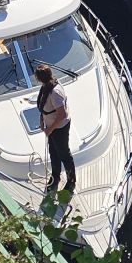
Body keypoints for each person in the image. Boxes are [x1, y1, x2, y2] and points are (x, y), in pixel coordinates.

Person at [35, 65, 75, 195]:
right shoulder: (46, 87)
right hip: (51, 127)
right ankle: (55, 177)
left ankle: (71, 181)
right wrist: (42, 120)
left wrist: (50, 129)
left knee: (64, 154)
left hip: (59, 128)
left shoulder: (55, 92)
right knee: (53, 152)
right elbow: (44, 106)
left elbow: (62, 114)